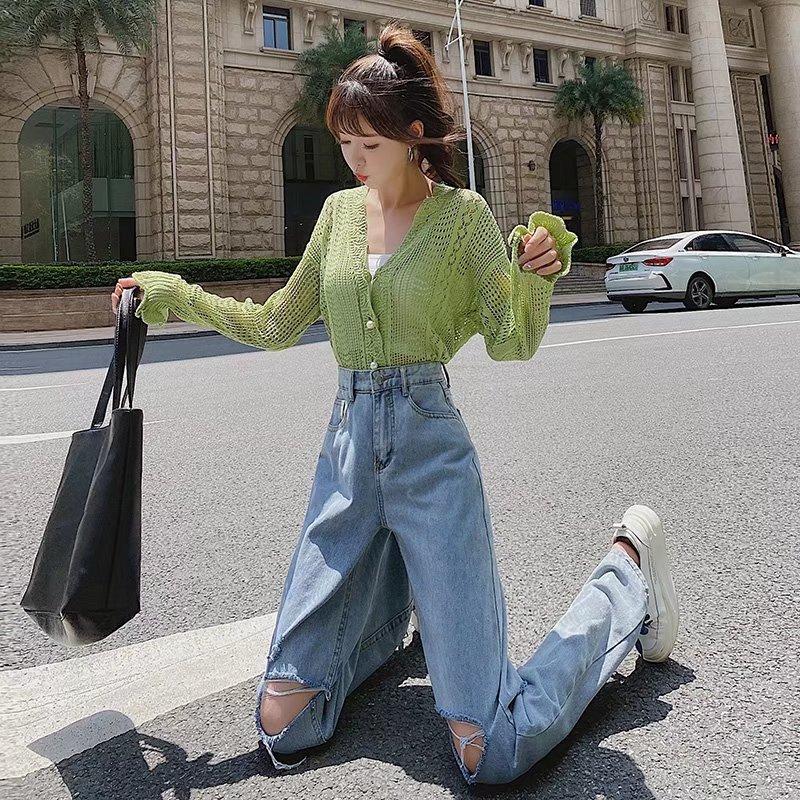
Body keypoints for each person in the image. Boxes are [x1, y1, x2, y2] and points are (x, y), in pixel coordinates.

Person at [111, 23, 679, 787]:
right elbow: (277, 322)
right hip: (346, 456)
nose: (354, 159)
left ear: (415, 136)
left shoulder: (464, 219)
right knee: (285, 723)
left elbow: (511, 340)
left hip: (430, 456)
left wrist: (536, 276)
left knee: (490, 751)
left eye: (369, 144)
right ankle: (392, 619)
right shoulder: (338, 216)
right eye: (345, 142)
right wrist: (173, 294)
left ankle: (626, 580)